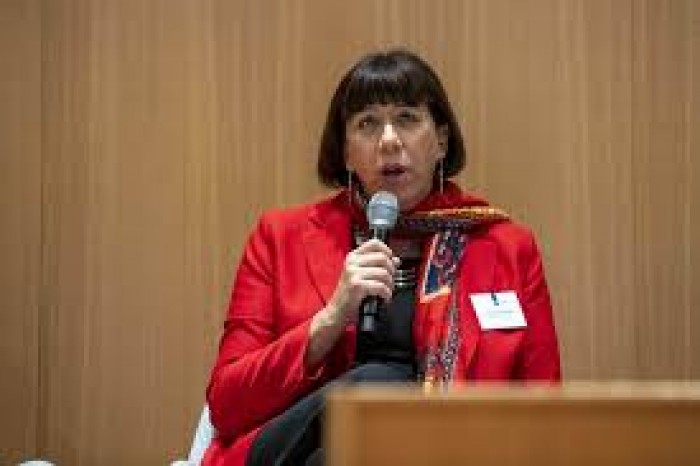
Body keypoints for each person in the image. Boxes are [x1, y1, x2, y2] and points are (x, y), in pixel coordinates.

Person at [202, 49, 561, 466]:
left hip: (450, 453)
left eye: (407, 118)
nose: (389, 139)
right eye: (367, 123)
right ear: (346, 153)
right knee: (379, 386)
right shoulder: (280, 238)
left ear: (441, 141)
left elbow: (545, 412)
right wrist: (329, 320)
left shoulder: (507, 248)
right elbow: (227, 405)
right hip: (285, 453)